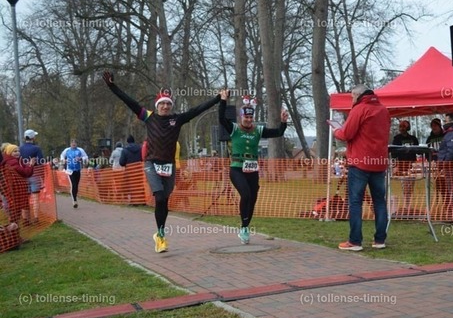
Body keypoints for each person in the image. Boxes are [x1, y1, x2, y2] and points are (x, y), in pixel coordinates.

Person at [102, 72, 221, 253]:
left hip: (169, 165)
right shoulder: (148, 117)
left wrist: (218, 98)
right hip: (151, 163)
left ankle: (160, 233)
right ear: (157, 105)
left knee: (164, 200)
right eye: (162, 103)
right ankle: (160, 236)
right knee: (158, 196)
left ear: (171, 106)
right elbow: (129, 102)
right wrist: (112, 87)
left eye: (168, 103)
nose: (165, 106)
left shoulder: (177, 120)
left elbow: (197, 109)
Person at [218, 90, 288, 244]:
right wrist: (223, 101)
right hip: (237, 168)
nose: (249, 120)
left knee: (253, 198)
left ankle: (245, 226)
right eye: (246, 117)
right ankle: (244, 227)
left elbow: (278, 132)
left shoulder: (258, 130)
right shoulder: (234, 128)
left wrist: (283, 122)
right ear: (241, 117)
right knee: (246, 195)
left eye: (251, 117)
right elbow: (221, 118)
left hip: (252, 169)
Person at [330, 85, 391, 251]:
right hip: (379, 162)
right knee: (379, 201)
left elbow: (346, 134)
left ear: (358, 95)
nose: (351, 99)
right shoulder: (383, 110)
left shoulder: (359, 109)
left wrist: (336, 130)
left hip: (360, 162)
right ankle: (380, 240)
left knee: (355, 202)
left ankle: (355, 241)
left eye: (352, 96)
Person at [391, 120, 419, 211]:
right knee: (405, 186)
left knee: (411, 186)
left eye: (403, 126)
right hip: (402, 165)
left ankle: (409, 206)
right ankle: (407, 206)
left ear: (407, 128)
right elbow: (393, 153)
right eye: (400, 127)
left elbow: (418, 151)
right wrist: (395, 165)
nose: (402, 129)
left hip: (412, 165)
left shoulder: (413, 139)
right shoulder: (397, 139)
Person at [19, 129, 44, 225]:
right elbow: (41, 161)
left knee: (24, 198)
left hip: (23, 175)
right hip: (34, 174)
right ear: (33, 137)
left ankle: (25, 219)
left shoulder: (19, 148)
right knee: (35, 198)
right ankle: (36, 218)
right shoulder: (36, 148)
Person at [60, 139, 89, 208]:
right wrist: (64, 160)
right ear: (70, 144)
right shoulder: (67, 150)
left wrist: (81, 159)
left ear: (76, 144)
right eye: (72, 143)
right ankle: (74, 201)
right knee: (73, 185)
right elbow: (62, 156)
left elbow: (86, 157)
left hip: (78, 170)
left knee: (76, 185)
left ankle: (75, 197)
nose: (74, 144)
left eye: (75, 143)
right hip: (70, 170)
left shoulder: (80, 150)